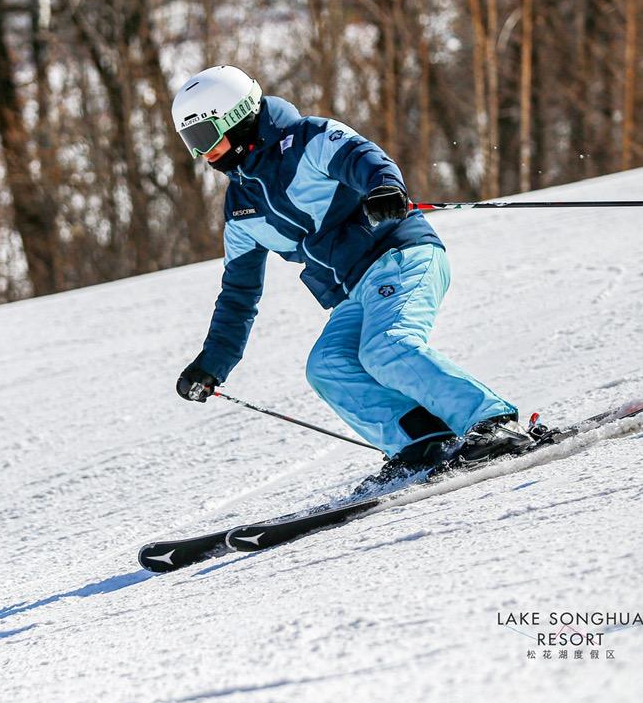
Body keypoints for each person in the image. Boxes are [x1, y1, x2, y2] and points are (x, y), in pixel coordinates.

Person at [172, 64, 529, 475]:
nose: (203, 154)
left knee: (386, 347)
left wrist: (384, 188)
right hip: (351, 292)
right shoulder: (240, 209)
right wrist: (211, 365)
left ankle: (493, 422)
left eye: (204, 137)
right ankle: (422, 444)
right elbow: (238, 295)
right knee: (327, 365)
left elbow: (364, 159)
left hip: (399, 256)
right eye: (191, 144)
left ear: (236, 116)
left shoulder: (308, 139)